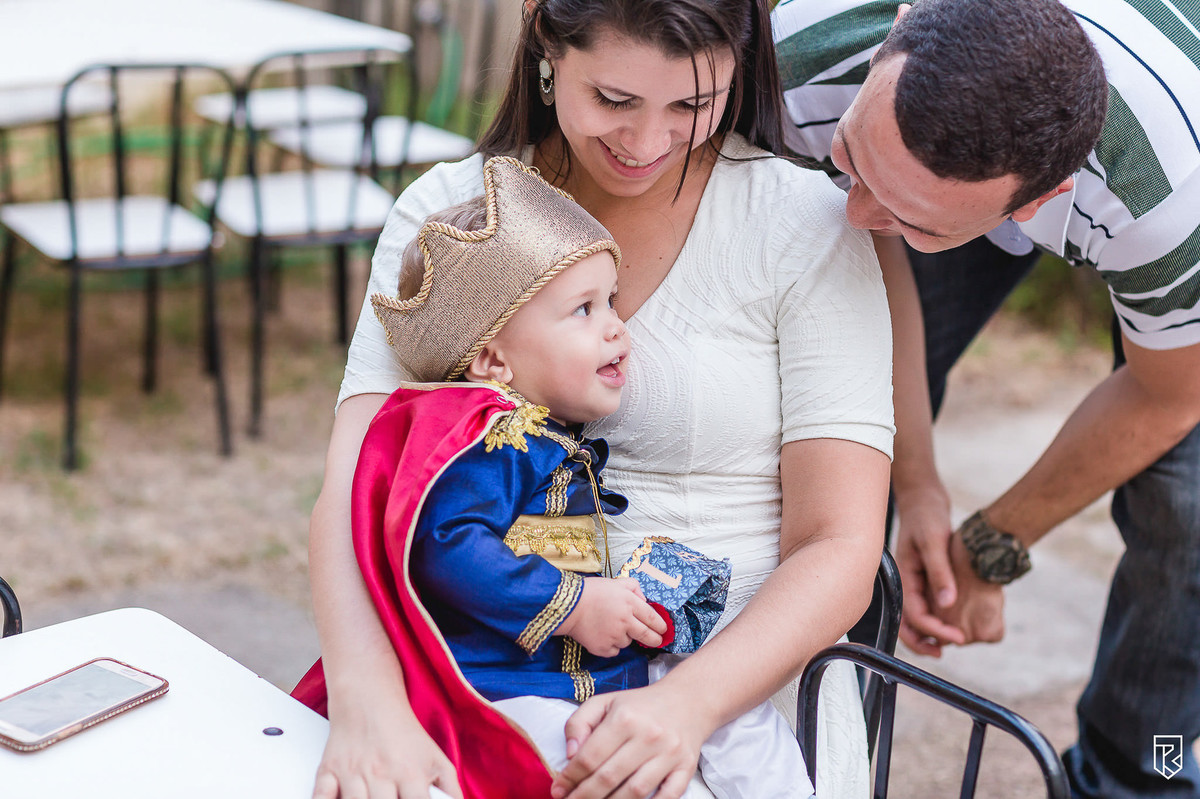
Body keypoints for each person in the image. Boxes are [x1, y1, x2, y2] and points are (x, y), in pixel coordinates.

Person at [304, 0, 895, 797]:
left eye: (692, 104)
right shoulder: (456, 224)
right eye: (614, 101)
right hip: (490, 676)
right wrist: (369, 706)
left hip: (737, 699)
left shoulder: (801, 224)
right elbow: (356, 488)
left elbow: (839, 547)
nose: (648, 143)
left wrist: (685, 705)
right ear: (543, 34)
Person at [773, 0, 1200, 795]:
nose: (857, 213)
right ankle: (828, 733)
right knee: (831, 410)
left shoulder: (1173, 201)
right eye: (851, 159)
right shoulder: (804, 55)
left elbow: (1166, 395)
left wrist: (985, 549)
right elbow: (862, 243)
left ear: (1037, 207)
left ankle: (1144, 768)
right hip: (955, 168)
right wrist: (917, 481)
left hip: (1158, 181)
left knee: (1189, 509)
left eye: (906, 217)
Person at [293, 155, 811, 798]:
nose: (617, 326)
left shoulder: (548, 440)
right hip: (506, 685)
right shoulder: (491, 438)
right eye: (583, 310)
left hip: (580, 675)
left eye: (611, 302)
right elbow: (447, 544)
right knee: (574, 767)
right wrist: (574, 604)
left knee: (741, 716)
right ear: (491, 359)